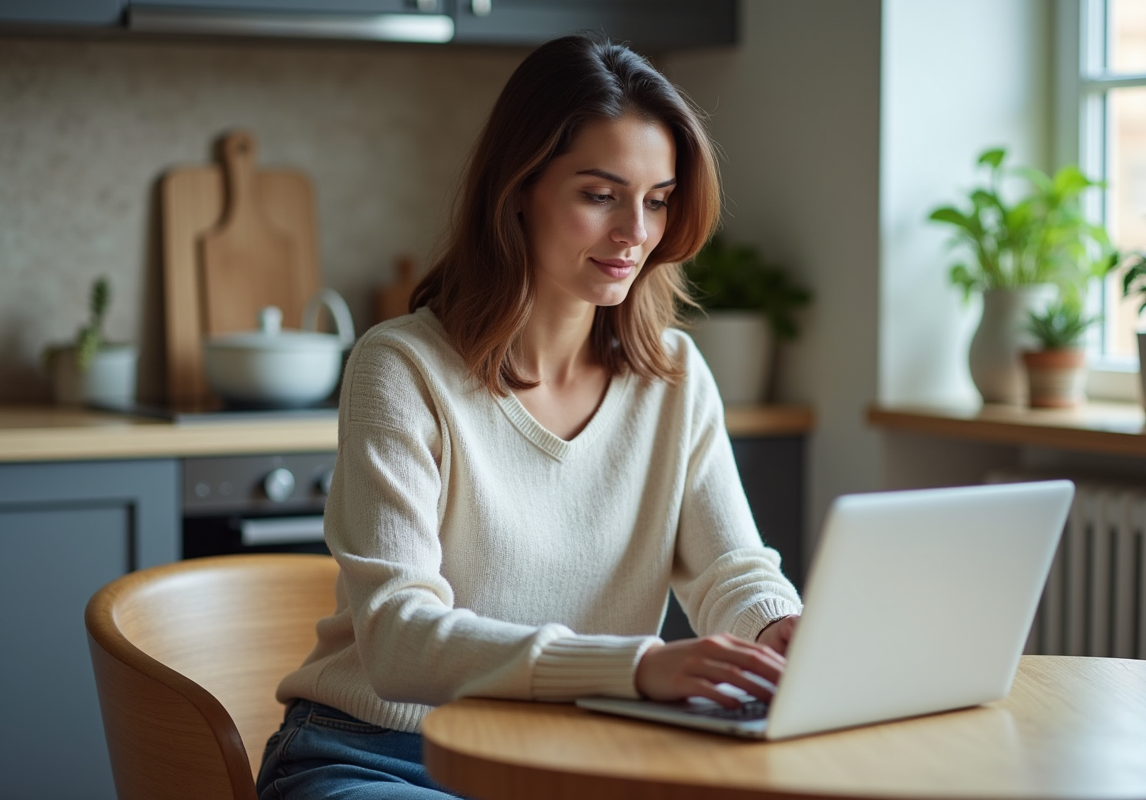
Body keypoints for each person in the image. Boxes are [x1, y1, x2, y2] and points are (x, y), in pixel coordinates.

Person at [257, 33, 803, 800]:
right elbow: (398, 640)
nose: (635, 235)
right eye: (599, 194)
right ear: (518, 189)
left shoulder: (674, 376)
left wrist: (778, 628)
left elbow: (729, 569)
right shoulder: (402, 367)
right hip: (379, 755)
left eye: (657, 200)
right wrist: (638, 667)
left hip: (576, 756)